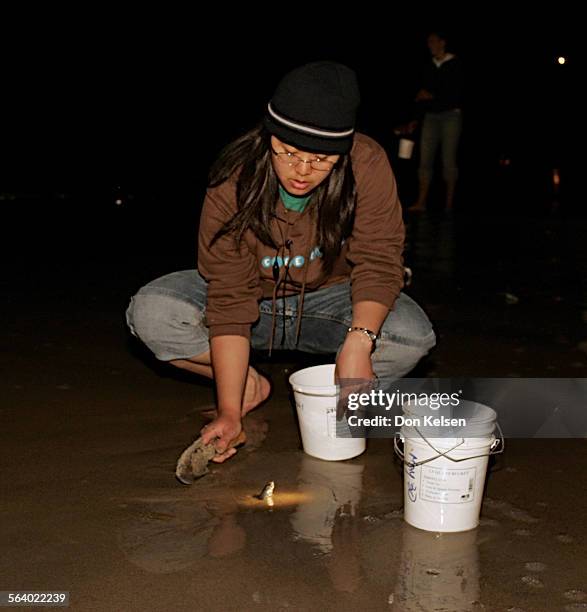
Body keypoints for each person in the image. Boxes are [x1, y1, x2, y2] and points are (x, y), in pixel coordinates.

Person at [125, 61, 436, 463]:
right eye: (288, 153)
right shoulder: (233, 180)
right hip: (255, 300)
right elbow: (230, 296)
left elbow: (379, 260)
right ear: (268, 137)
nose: (303, 171)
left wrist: (360, 339)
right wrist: (230, 412)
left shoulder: (367, 163)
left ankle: (334, 383)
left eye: (322, 159)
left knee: (411, 339)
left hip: (331, 300)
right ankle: (246, 385)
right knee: (151, 312)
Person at [408, 31, 464, 212]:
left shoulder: (455, 64)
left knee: (448, 160)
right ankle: (421, 202)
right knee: (425, 160)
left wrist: (431, 96)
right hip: (431, 117)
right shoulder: (429, 66)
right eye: (428, 42)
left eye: (433, 41)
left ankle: (449, 204)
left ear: (442, 42)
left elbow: (456, 94)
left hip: (451, 116)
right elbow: (422, 95)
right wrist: (416, 119)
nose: (430, 45)